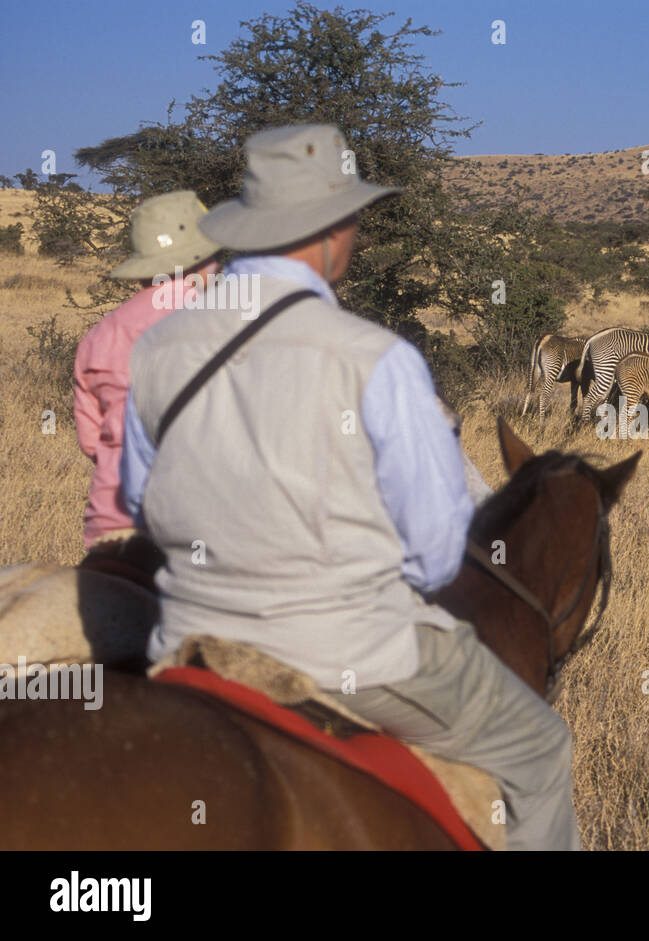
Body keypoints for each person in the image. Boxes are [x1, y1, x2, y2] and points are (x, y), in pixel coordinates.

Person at [119, 124, 580, 850]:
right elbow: (435, 555)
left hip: (189, 639)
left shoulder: (159, 346)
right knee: (542, 748)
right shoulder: (377, 359)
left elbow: (139, 503)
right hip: (347, 653)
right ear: (332, 231)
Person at [74, 191, 222, 591]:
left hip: (112, 528)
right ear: (202, 262)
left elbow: (92, 443)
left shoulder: (98, 336)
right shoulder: (224, 324)